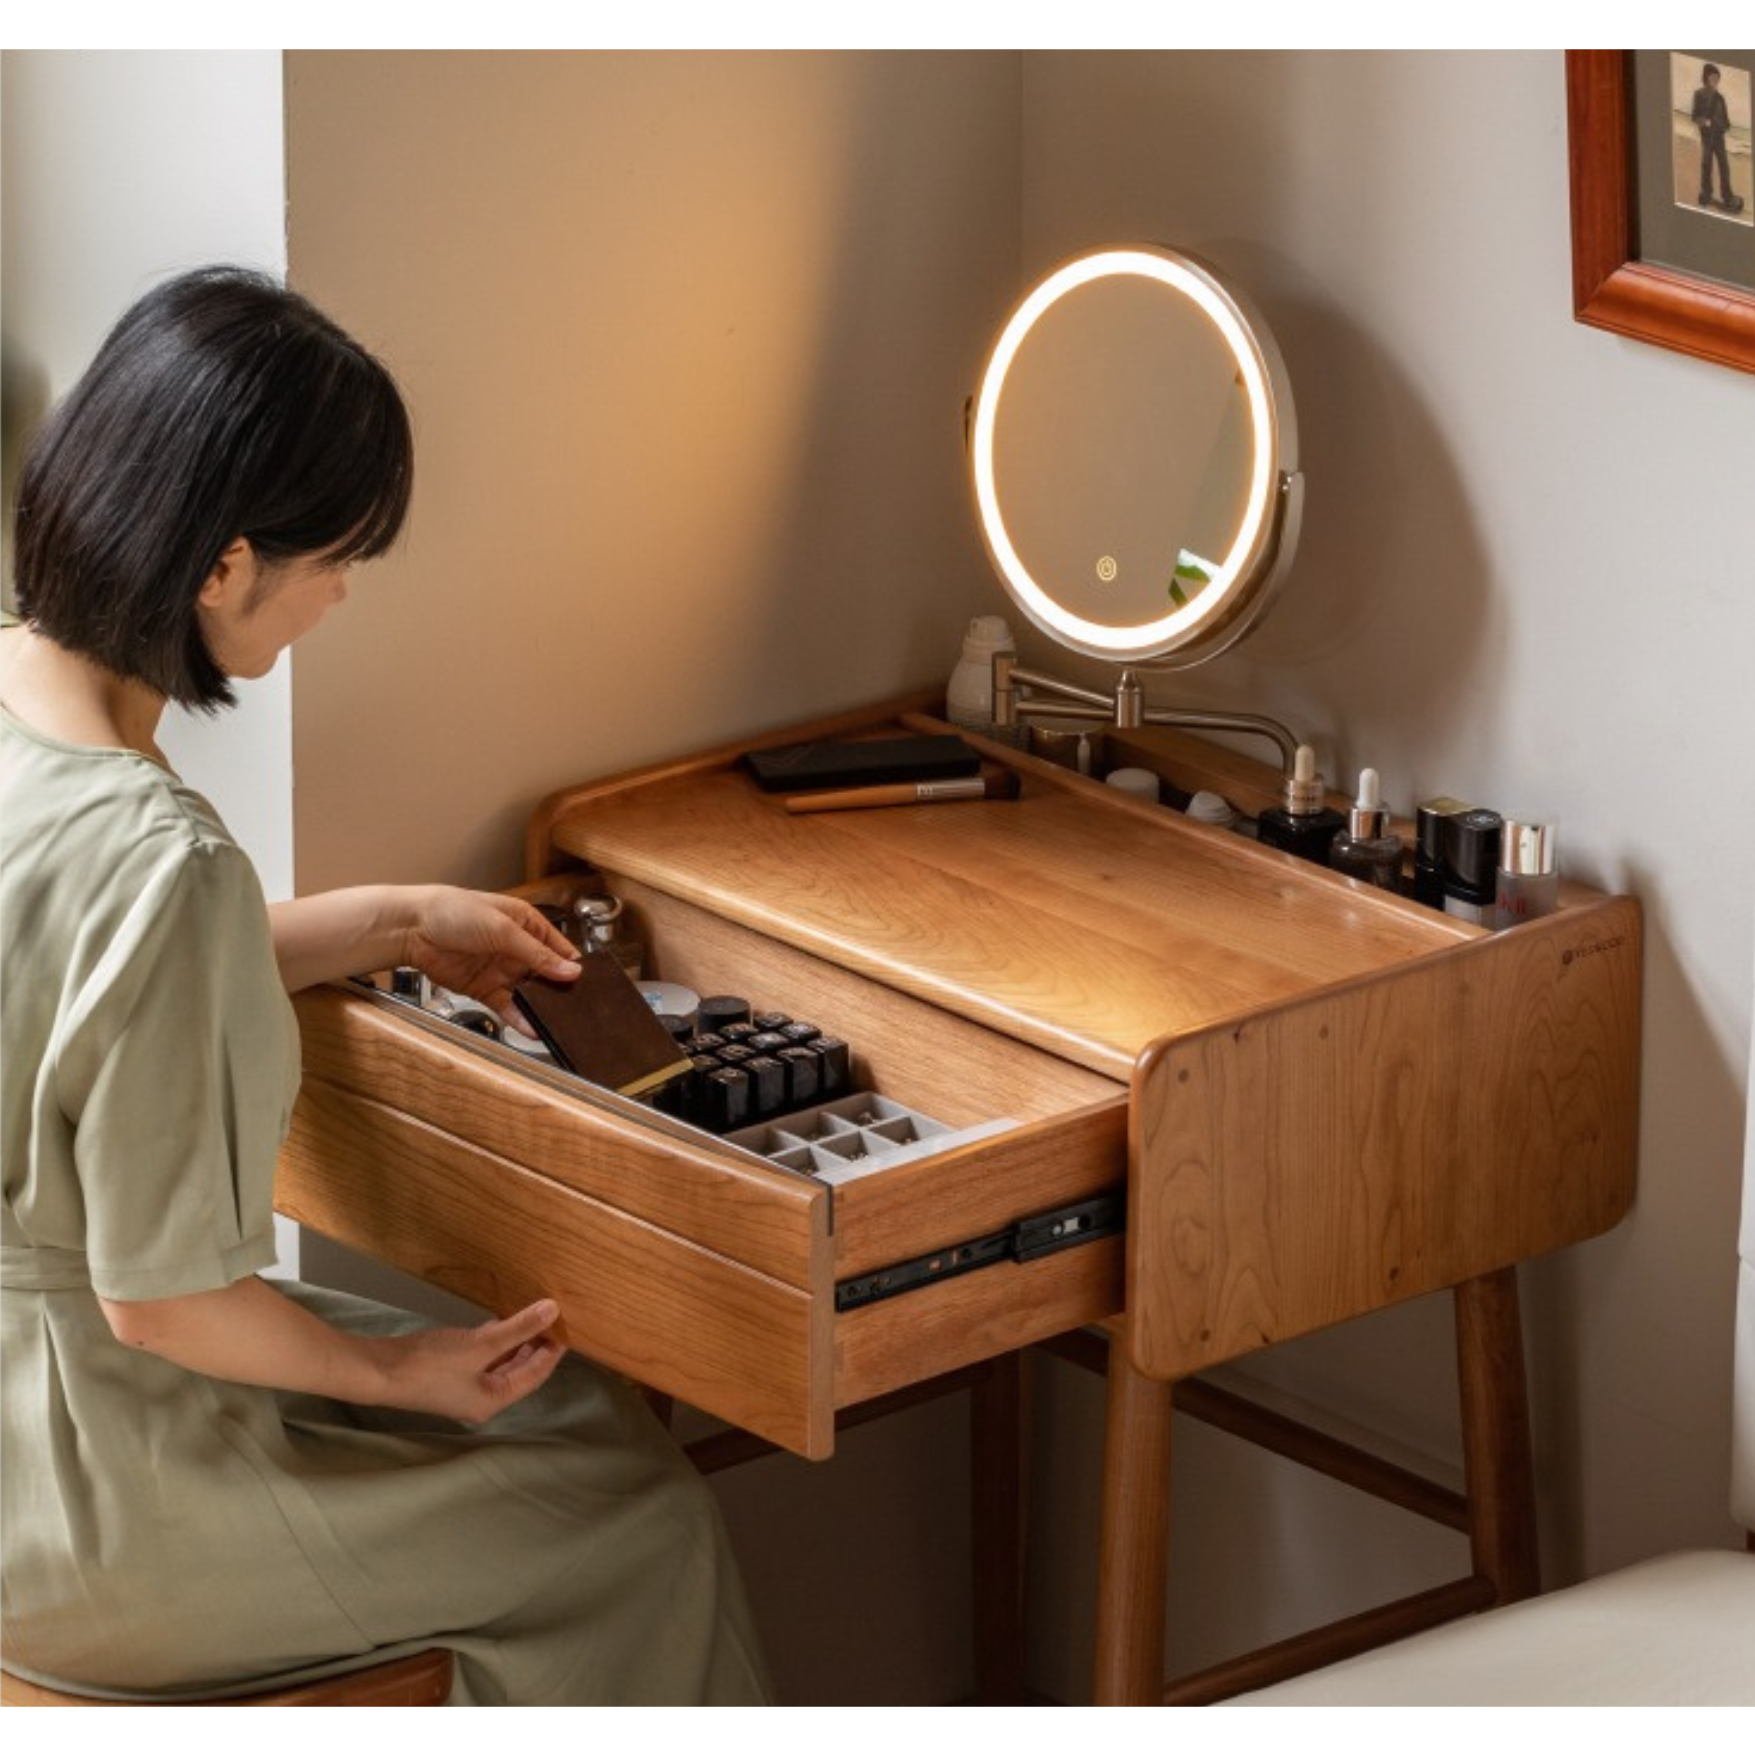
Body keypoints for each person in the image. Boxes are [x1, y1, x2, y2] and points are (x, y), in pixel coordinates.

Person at [0, 267, 771, 1705]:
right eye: (335, 560)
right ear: (224, 568)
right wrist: (400, 1373)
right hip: (102, 1491)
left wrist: (393, 917)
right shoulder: (157, 859)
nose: (340, 595)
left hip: (25, 1424)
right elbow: (162, 1303)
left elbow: (83, 996)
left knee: (583, 1420)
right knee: (632, 1512)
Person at [1691, 63, 1743, 214]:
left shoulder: (1721, 98)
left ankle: (1727, 197)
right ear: (1706, 78)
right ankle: (1706, 194)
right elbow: (1695, 116)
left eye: (1717, 77)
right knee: (1706, 166)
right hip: (1707, 137)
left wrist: (1725, 126)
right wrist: (1705, 122)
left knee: (1724, 167)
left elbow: (1726, 120)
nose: (1715, 80)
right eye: (1712, 77)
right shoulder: (1699, 94)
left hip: (1719, 137)